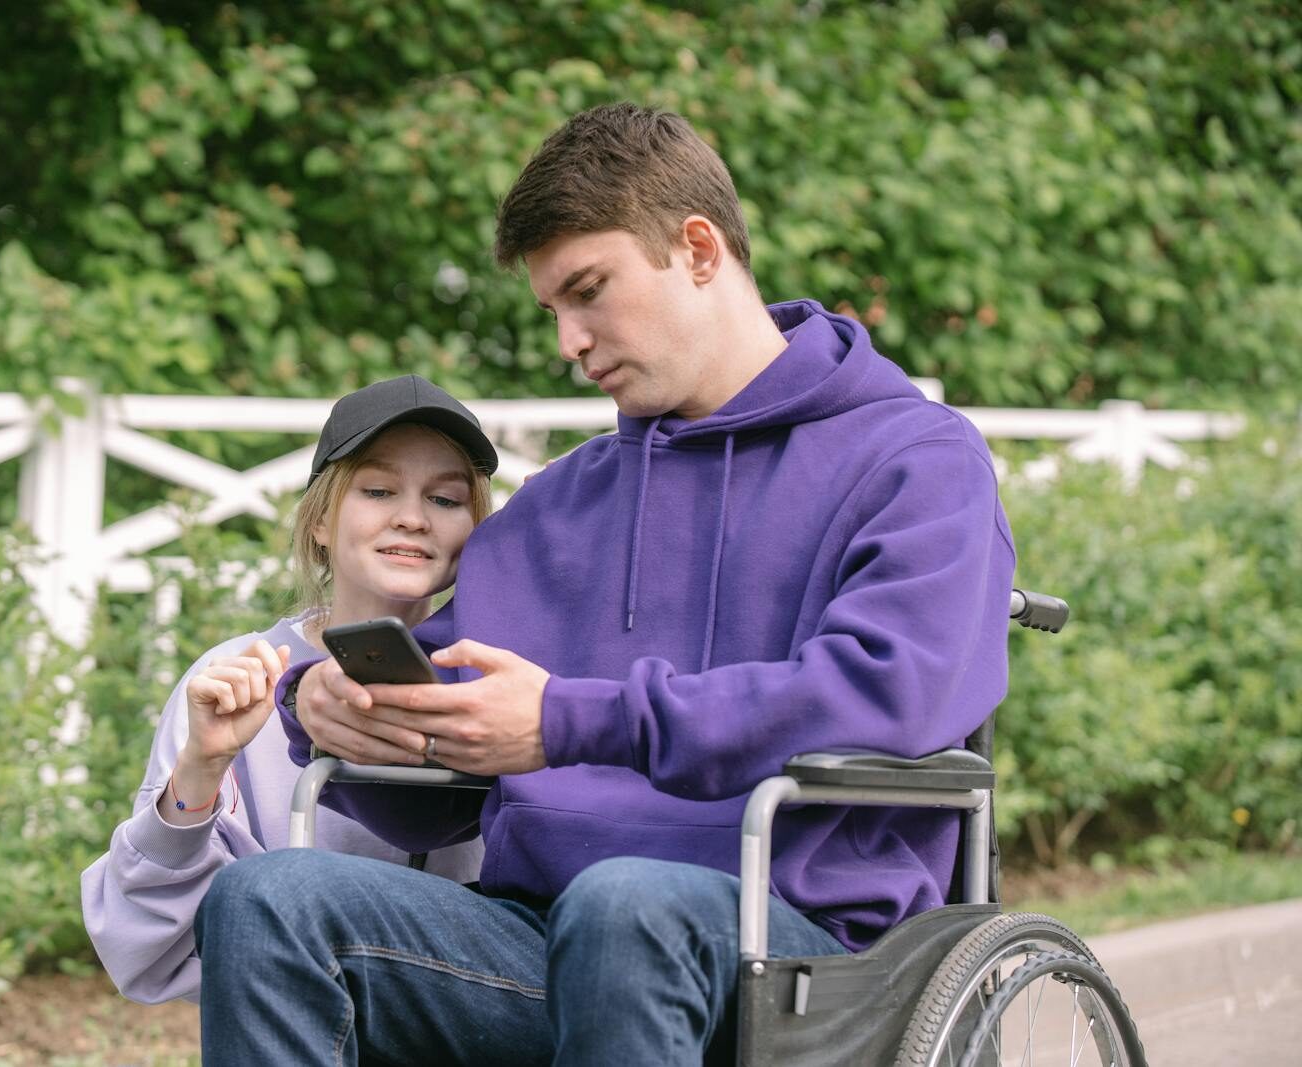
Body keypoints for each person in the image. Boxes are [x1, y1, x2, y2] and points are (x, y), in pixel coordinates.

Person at [195, 103, 1016, 1065]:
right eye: (552, 309)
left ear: (699, 249)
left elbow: (887, 691)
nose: (569, 342)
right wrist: (332, 708)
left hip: (802, 952)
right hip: (539, 939)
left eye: (589, 292)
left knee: (625, 902)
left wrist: (569, 722)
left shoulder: (914, 459)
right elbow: (449, 762)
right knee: (268, 900)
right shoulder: (559, 505)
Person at [80, 375, 498, 1004]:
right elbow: (145, 944)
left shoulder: (502, 676)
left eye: (445, 500)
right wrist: (202, 765)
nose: (412, 518)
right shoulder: (236, 674)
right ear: (320, 523)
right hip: (295, 1009)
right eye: (379, 490)